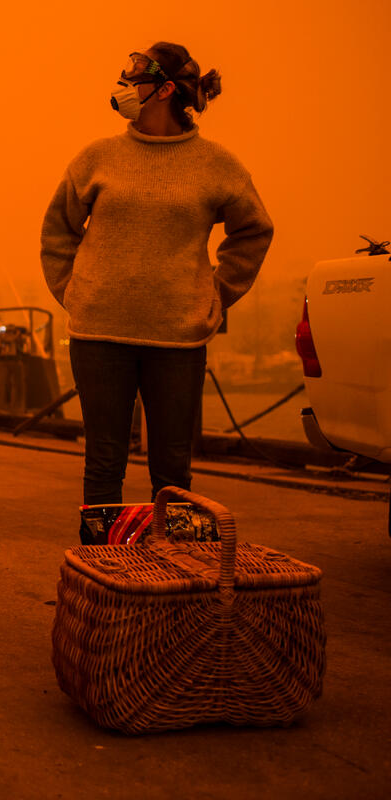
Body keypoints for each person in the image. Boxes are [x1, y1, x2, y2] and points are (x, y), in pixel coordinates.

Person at [40, 42, 274, 509]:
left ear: (165, 89)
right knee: (103, 462)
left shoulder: (217, 165)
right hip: (98, 334)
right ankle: (103, 570)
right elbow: (58, 231)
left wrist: (216, 294)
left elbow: (253, 230)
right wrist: (76, 293)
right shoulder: (95, 159)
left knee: (173, 469)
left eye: (133, 80)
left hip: (178, 339)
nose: (123, 88)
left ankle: (174, 568)